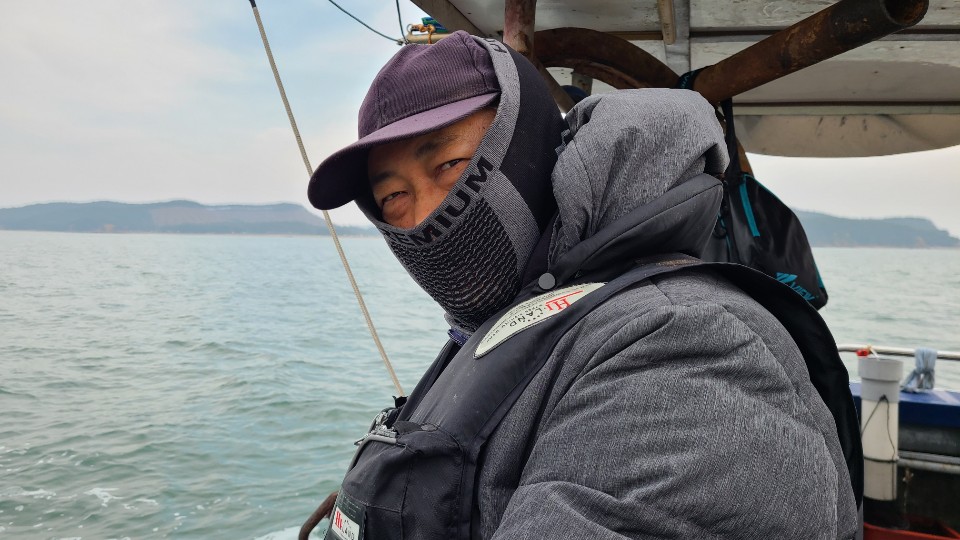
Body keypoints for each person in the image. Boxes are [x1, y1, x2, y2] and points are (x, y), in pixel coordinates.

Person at [307, 30, 861, 539]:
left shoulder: (679, 344)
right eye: (393, 197)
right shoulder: (508, 326)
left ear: (528, 148)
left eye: (450, 164)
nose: (426, 216)